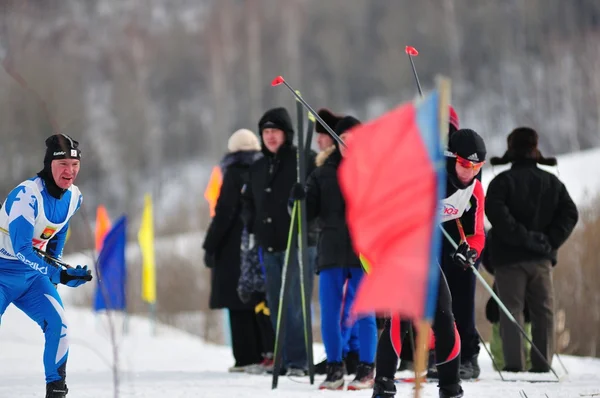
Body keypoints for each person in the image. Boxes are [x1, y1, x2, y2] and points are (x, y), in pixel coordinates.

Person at [373, 128, 487, 398]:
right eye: (464, 165)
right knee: (400, 316)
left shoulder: (474, 190)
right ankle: (383, 387)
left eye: (477, 166)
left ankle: (450, 389)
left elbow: (476, 234)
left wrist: (469, 251)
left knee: (445, 317)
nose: (470, 172)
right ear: (451, 158)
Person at [0, 134, 92, 398]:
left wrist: (57, 267)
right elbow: (22, 249)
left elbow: (58, 231)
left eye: (75, 165)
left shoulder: (74, 197)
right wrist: (58, 273)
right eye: (63, 164)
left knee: (60, 326)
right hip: (2, 272)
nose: (70, 171)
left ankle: (56, 391)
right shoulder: (26, 196)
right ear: (49, 165)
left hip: (31, 277)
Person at [291, 116, 377, 390]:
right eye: (342, 140)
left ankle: (366, 368)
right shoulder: (321, 174)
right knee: (329, 312)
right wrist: (298, 199)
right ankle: (335, 366)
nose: (347, 145)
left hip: (362, 251)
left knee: (365, 312)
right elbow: (306, 215)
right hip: (330, 250)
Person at [485, 127, 578, 373]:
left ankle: (514, 367)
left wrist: (521, 237)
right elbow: (570, 213)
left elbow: (495, 212)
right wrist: (549, 240)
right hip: (541, 260)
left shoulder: (501, 183)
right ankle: (542, 365)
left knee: (511, 313)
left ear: (511, 150)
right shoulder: (552, 182)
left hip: (508, 260)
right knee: (543, 313)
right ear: (535, 149)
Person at [242, 107, 317, 376]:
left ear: (287, 133)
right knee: (275, 303)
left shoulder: (303, 160)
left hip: (298, 243)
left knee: (296, 303)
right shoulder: (258, 166)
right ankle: (282, 358)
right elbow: (248, 200)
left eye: (275, 131)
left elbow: (317, 192)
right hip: (269, 245)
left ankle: (299, 360)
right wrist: (252, 222)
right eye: (266, 132)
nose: (270, 136)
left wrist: (304, 196)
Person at [202, 128, 274, 373]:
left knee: (237, 302)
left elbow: (224, 212)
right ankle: (265, 352)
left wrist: (210, 245)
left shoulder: (233, 172)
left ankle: (245, 357)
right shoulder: (265, 168)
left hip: (233, 247)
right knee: (257, 300)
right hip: (260, 243)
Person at [312, 108, 360, 376]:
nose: (318, 141)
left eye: (322, 135)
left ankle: (345, 352)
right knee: (341, 304)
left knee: (350, 304)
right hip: (332, 246)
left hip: (354, 249)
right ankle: (344, 352)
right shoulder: (324, 169)